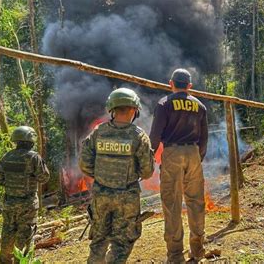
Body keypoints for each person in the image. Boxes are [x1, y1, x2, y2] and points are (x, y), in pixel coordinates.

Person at [79, 88, 154, 263]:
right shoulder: (139, 136)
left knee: (99, 239)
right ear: (134, 110)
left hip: (101, 195)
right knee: (122, 242)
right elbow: (147, 172)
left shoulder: (98, 133)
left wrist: (101, 177)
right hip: (127, 197)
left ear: (111, 109)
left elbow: (84, 165)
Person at [149, 68, 208, 263]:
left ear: (170, 83)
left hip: (172, 153)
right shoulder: (200, 106)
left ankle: (175, 255)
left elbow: (156, 135)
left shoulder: (164, 104)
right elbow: (204, 138)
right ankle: (197, 248)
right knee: (196, 201)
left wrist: (150, 155)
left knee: (172, 203)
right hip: (193, 153)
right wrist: (198, 157)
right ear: (190, 86)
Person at [0, 126, 50, 264]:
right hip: (28, 204)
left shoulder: (6, 157)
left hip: (9, 204)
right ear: (31, 140)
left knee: (7, 233)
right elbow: (44, 178)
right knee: (26, 235)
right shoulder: (33, 157)